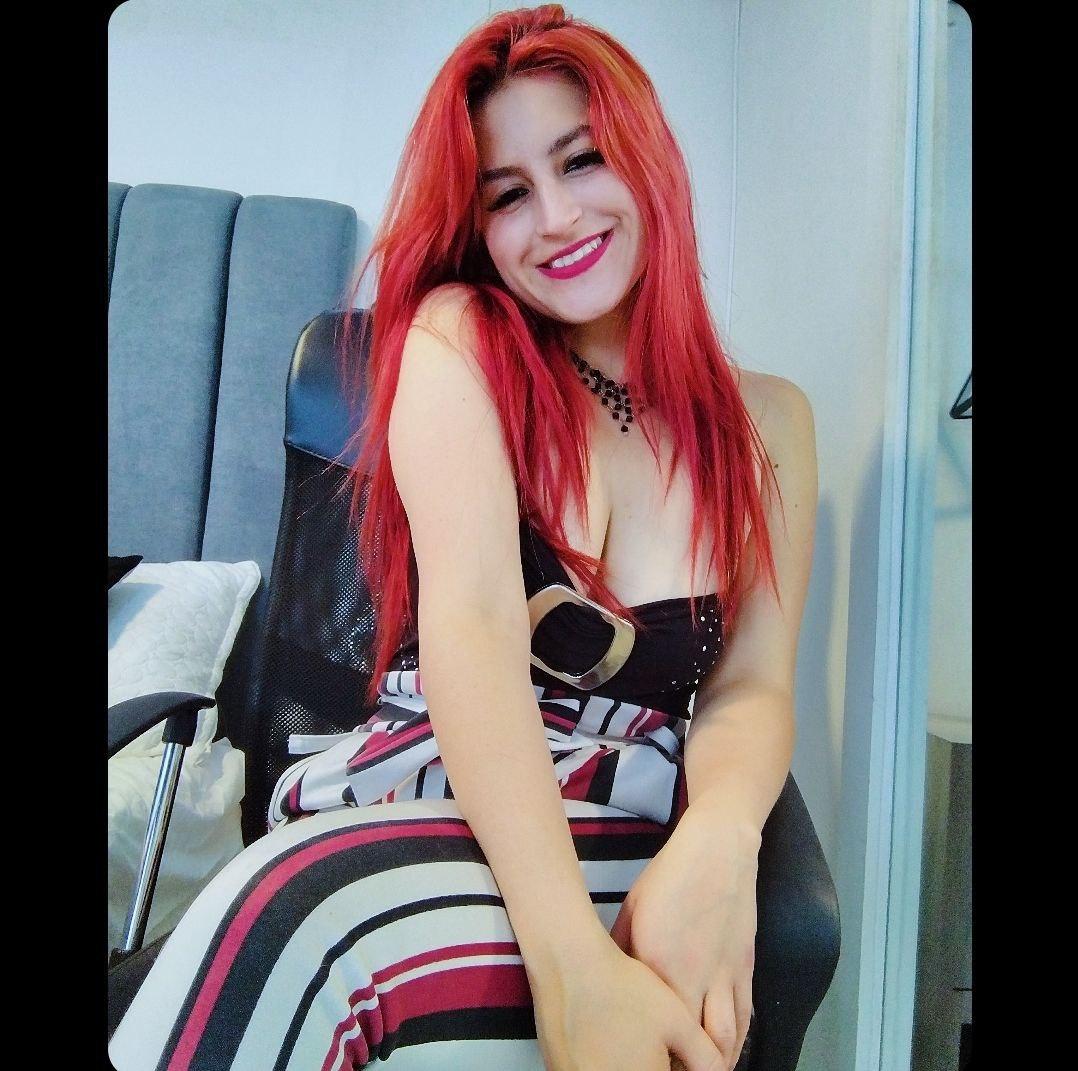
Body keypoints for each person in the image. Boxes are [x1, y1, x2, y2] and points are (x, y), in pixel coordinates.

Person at [108, 5, 817, 1070]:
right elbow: (475, 629)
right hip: (452, 780)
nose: (557, 218)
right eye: (508, 194)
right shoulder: (461, 337)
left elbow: (751, 684)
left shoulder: (772, 423)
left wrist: (721, 839)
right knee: (297, 925)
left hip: (635, 806)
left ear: (648, 158)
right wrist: (569, 966)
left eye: (582, 160)